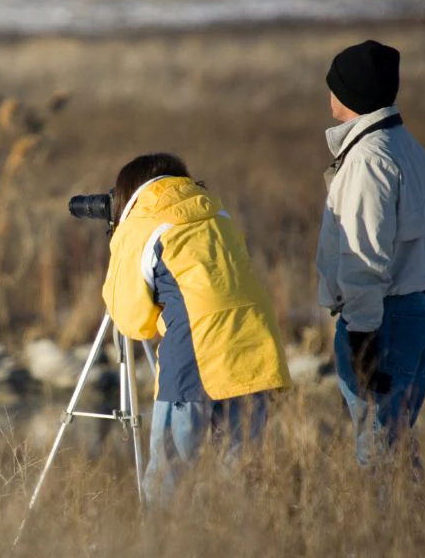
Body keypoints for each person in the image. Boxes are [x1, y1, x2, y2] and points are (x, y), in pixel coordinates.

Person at [102, 152, 291, 507]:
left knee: (169, 475)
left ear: (128, 195)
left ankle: (160, 543)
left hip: (194, 356)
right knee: (241, 473)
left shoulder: (142, 224)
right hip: (255, 349)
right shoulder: (217, 213)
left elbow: (131, 321)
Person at [317, 40, 425, 468]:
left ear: (351, 94)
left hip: (382, 318)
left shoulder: (368, 161)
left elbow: (362, 254)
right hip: (413, 310)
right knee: (393, 444)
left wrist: (362, 335)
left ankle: (391, 531)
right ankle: (413, 529)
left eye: (334, 86)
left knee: (379, 453)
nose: (329, 95)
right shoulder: (406, 148)